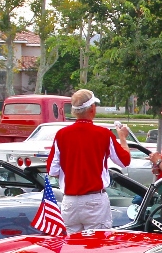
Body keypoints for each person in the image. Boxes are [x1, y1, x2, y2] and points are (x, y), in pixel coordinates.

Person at [47, 89, 132, 232]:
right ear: (92, 108)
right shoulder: (103, 134)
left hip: (70, 201)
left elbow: (52, 170)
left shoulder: (61, 135)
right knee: (96, 246)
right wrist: (123, 138)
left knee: (73, 247)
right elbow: (124, 161)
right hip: (94, 200)